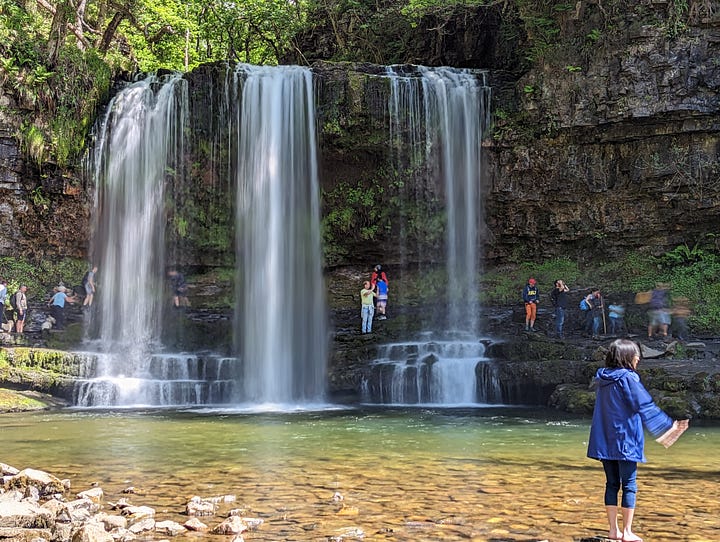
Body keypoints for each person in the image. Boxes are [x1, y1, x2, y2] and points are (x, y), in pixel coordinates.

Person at [587, 339, 689, 542]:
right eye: (635, 354)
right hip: (625, 440)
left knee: (612, 484)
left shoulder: (602, 379)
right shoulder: (629, 378)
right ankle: (627, 532)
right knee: (630, 485)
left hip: (605, 439)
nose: (638, 358)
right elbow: (645, 405)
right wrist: (669, 428)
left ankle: (613, 531)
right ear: (626, 357)